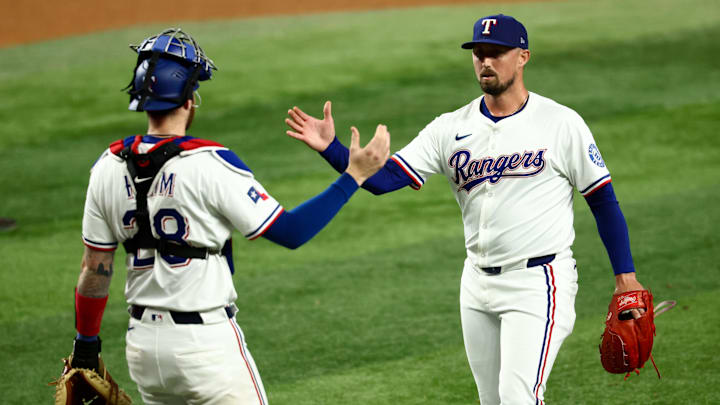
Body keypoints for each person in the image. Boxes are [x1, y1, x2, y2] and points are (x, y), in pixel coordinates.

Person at [285, 14, 647, 404]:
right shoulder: (450, 127)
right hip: (475, 284)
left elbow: (602, 200)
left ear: (523, 56)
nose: (485, 61)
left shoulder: (560, 124)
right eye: (479, 53)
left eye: (496, 53)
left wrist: (625, 276)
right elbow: (381, 180)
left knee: (518, 398)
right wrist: (331, 149)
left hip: (539, 282)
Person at [70, 28, 389, 404]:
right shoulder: (209, 164)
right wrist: (354, 176)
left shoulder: (106, 167)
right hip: (205, 349)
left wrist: (86, 347)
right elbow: (290, 231)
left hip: (143, 350)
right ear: (189, 100)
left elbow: (95, 269)